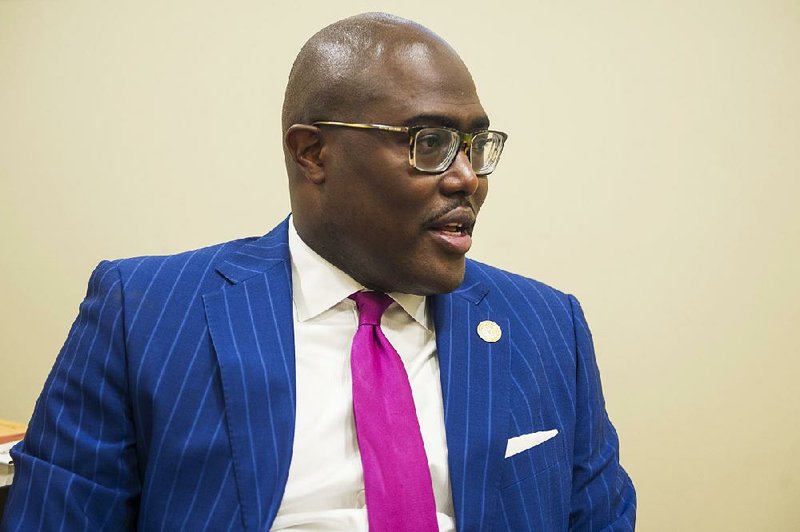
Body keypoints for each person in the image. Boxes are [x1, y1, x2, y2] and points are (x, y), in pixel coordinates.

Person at [1, 12, 635, 532]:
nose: (467, 177)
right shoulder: (143, 312)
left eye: (476, 145)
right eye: (430, 142)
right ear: (313, 153)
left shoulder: (548, 326)